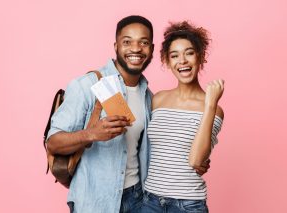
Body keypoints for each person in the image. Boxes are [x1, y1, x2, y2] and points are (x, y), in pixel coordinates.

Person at [46, 15, 154, 213]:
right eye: (127, 41)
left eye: (144, 42)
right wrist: (91, 134)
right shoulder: (86, 85)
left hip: (138, 199)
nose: (136, 49)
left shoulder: (148, 96)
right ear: (116, 46)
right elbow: (52, 142)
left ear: (152, 49)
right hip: (94, 201)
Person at [141, 21, 224, 213]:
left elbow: (196, 160)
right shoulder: (158, 99)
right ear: (167, 62)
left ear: (200, 57)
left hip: (187, 205)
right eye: (174, 55)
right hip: (150, 201)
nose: (183, 61)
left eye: (189, 52)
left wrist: (210, 104)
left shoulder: (213, 108)